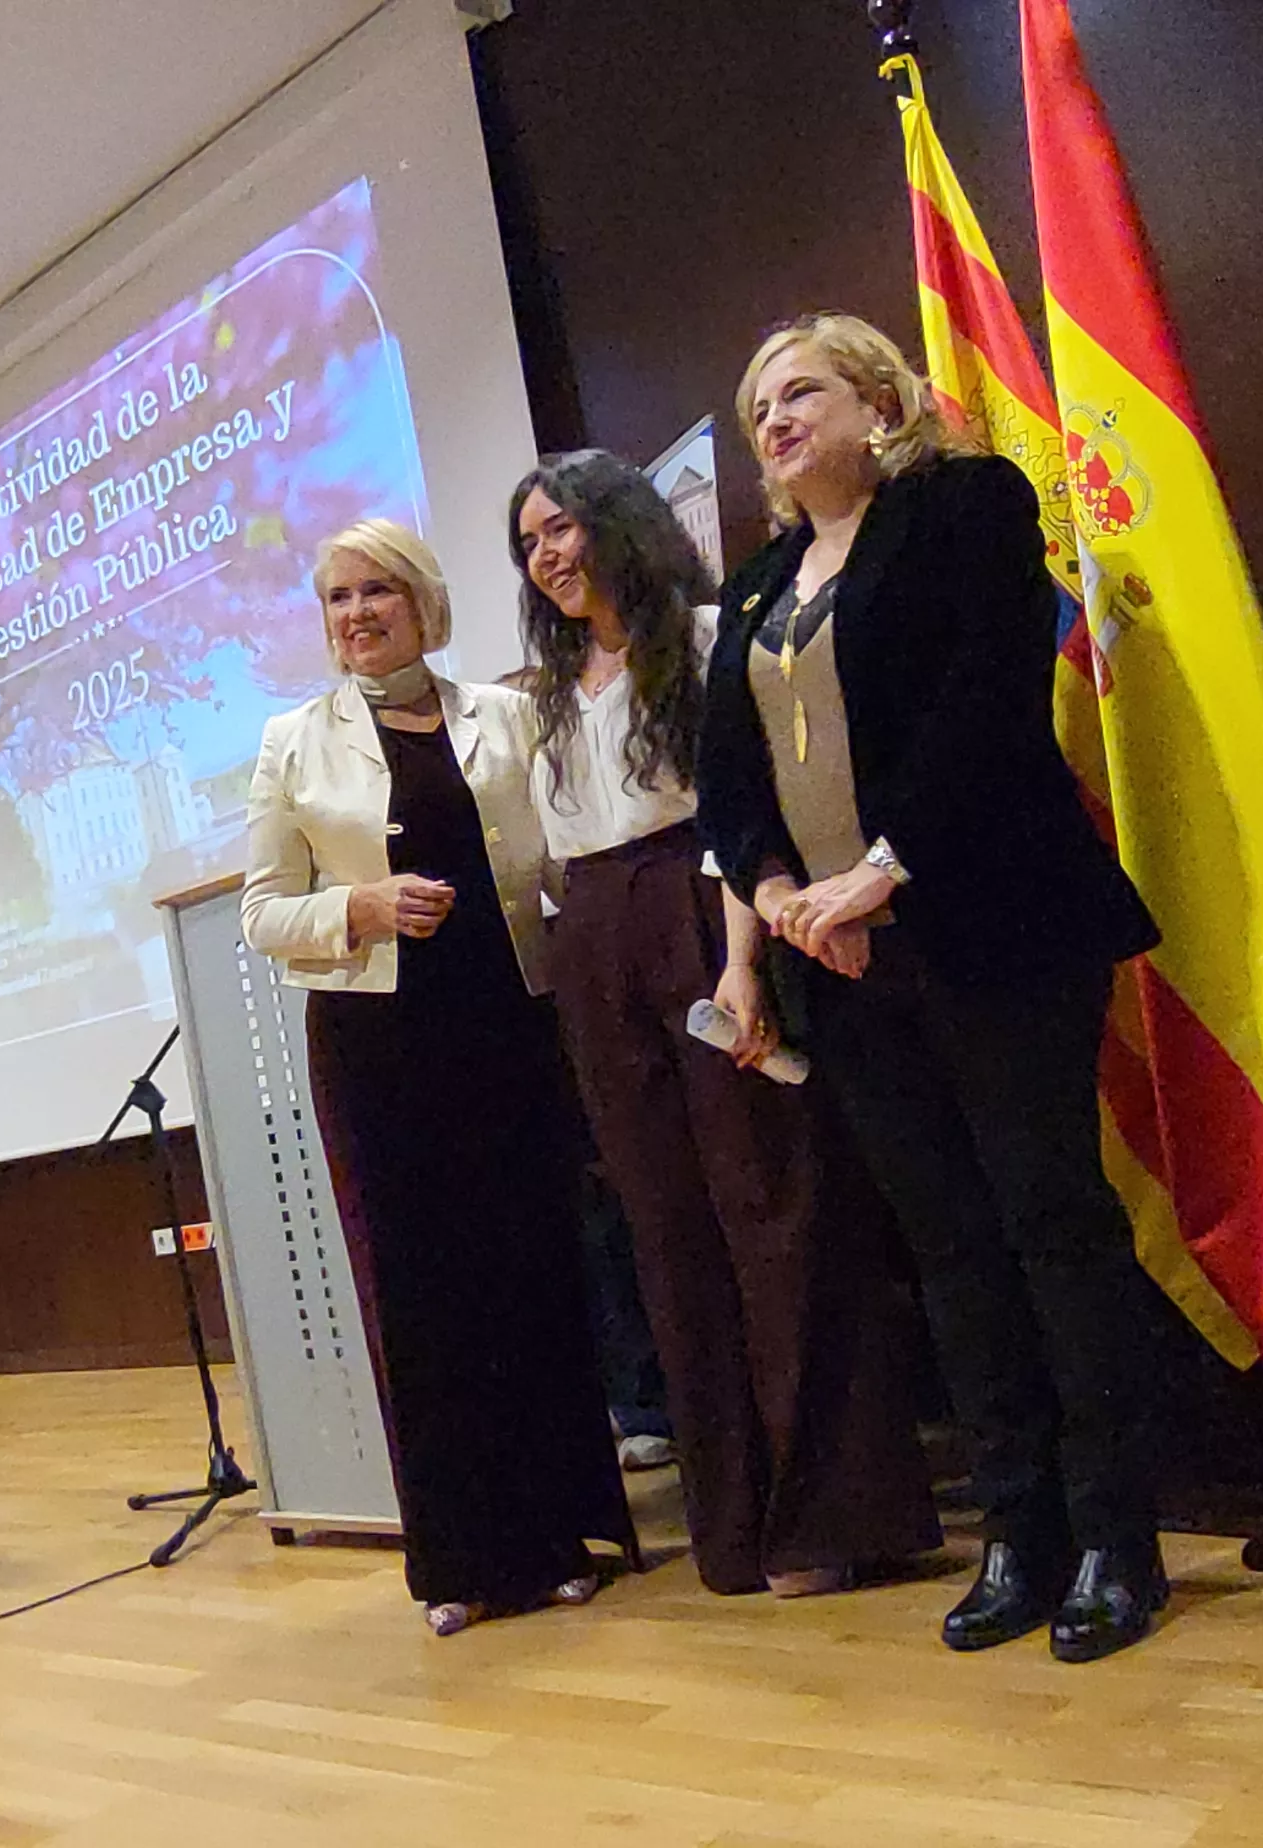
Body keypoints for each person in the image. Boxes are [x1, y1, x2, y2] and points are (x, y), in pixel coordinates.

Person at [696, 312, 1175, 1663]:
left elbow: (987, 701)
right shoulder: (753, 590)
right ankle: (1016, 1534)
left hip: (991, 921)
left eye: (800, 393)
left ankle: (1115, 1538)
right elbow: (727, 782)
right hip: (844, 966)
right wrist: (789, 896)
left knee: (1049, 1225)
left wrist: (884, 871)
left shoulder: (964, 502)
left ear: (878, 400)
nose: (776, 424)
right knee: (951, 1251)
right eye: (758, 413)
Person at [511, 448, 944, 1601]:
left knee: (774, 1202)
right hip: (594, 933)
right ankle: (738, 1526)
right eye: (530, 541)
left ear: (618, 524)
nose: (548, 555)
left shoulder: (707, 637)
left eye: (561, 528)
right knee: (665, 1226)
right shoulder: (548, 689)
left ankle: (835, 1517)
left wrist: (741, 963)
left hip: (706, 914)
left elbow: (738, 820)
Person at [241, 518, 635, 1637]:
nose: (356, 613)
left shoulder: (504, 714)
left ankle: (563, 1533)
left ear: (421, 603)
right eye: (334, 597)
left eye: (376, 591)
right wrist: (356, 908)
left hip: (510, 1023)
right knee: (420, 1294)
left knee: (534, 1274)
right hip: (379, 1045)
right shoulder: (291, 742)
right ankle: (462, 1558)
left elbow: (565, 853)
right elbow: (265, 911)